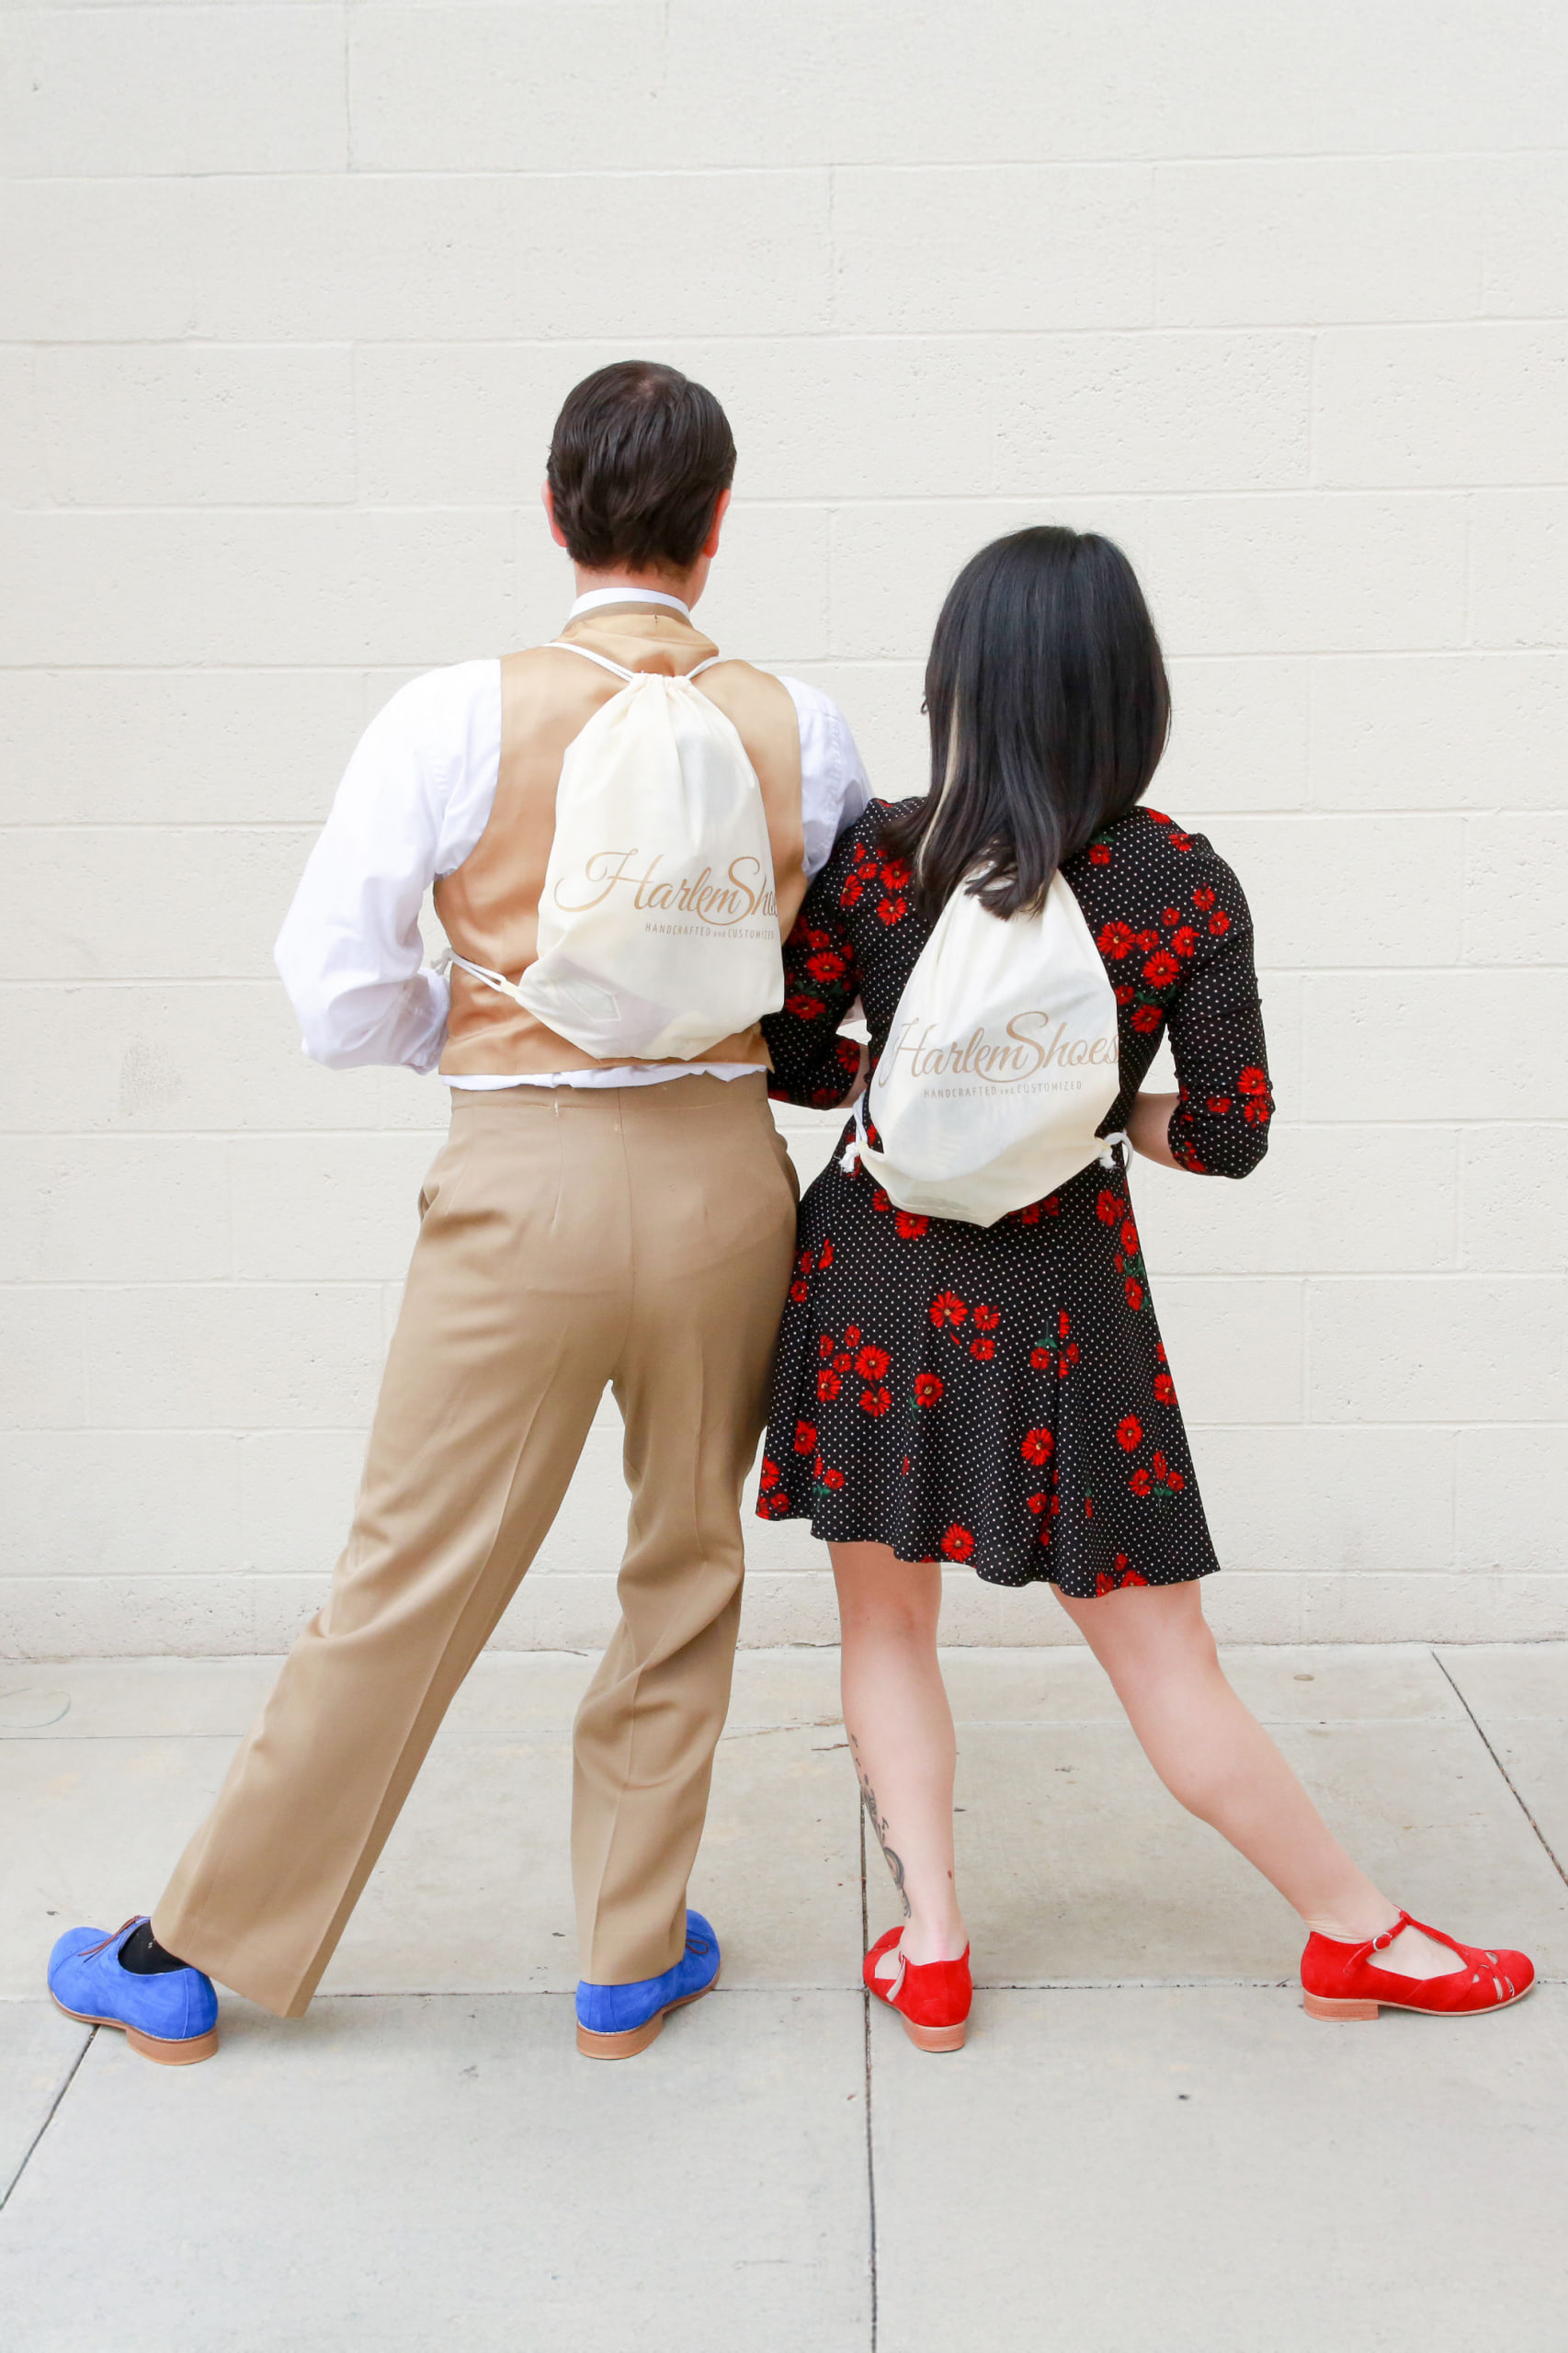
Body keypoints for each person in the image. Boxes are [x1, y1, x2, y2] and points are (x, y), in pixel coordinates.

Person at [47, 360, 870, 2065]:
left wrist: (481, 1024)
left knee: (408, 1572)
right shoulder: (808, 727)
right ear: (719, 528)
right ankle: (630, 1954)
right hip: (730, 1182)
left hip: (522, 1182)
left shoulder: (452, 714)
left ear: (554, 511)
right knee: (689, 1560)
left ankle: (199, 1951)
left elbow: (334, 994)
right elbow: (829, 980)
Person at [756, 525, 1535, 2051]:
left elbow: (786, 1057)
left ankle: (931, 1946)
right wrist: (1089, 1108)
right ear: (1131, 688)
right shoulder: (1179, 877)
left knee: (883, 1629)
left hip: (869, 1288)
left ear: (953, 682)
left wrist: (917, 1094)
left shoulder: (876, 856)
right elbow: (1231, 1133)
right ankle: (1351, 1930)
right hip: (1063, 1302)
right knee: (1164, 1657)